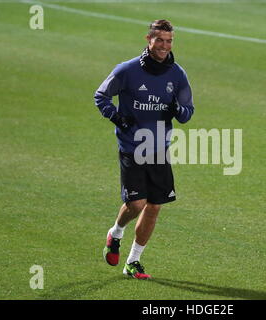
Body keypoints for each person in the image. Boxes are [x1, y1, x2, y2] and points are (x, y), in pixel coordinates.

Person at [94, 20, 194, 279]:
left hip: (159, 148)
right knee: (136, 203)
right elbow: (101, 96)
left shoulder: (177, 74)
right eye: (159, 40)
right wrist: (117, 117)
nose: (164, 46)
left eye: (169, 41)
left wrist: (177, 111)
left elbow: (187, 113)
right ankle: (116, 232)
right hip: (132, 147)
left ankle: (133, 262)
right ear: (148, 39)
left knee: (154, 206)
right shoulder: (127, 70)